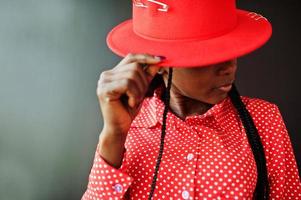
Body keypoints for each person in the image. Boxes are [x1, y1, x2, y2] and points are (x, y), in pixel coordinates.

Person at [82, 0, 301, 199]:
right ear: (157, 64)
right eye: (206, 53)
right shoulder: (127, 126)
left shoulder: (263, 119)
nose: (229, 66)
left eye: (229, 47)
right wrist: (115, 134)